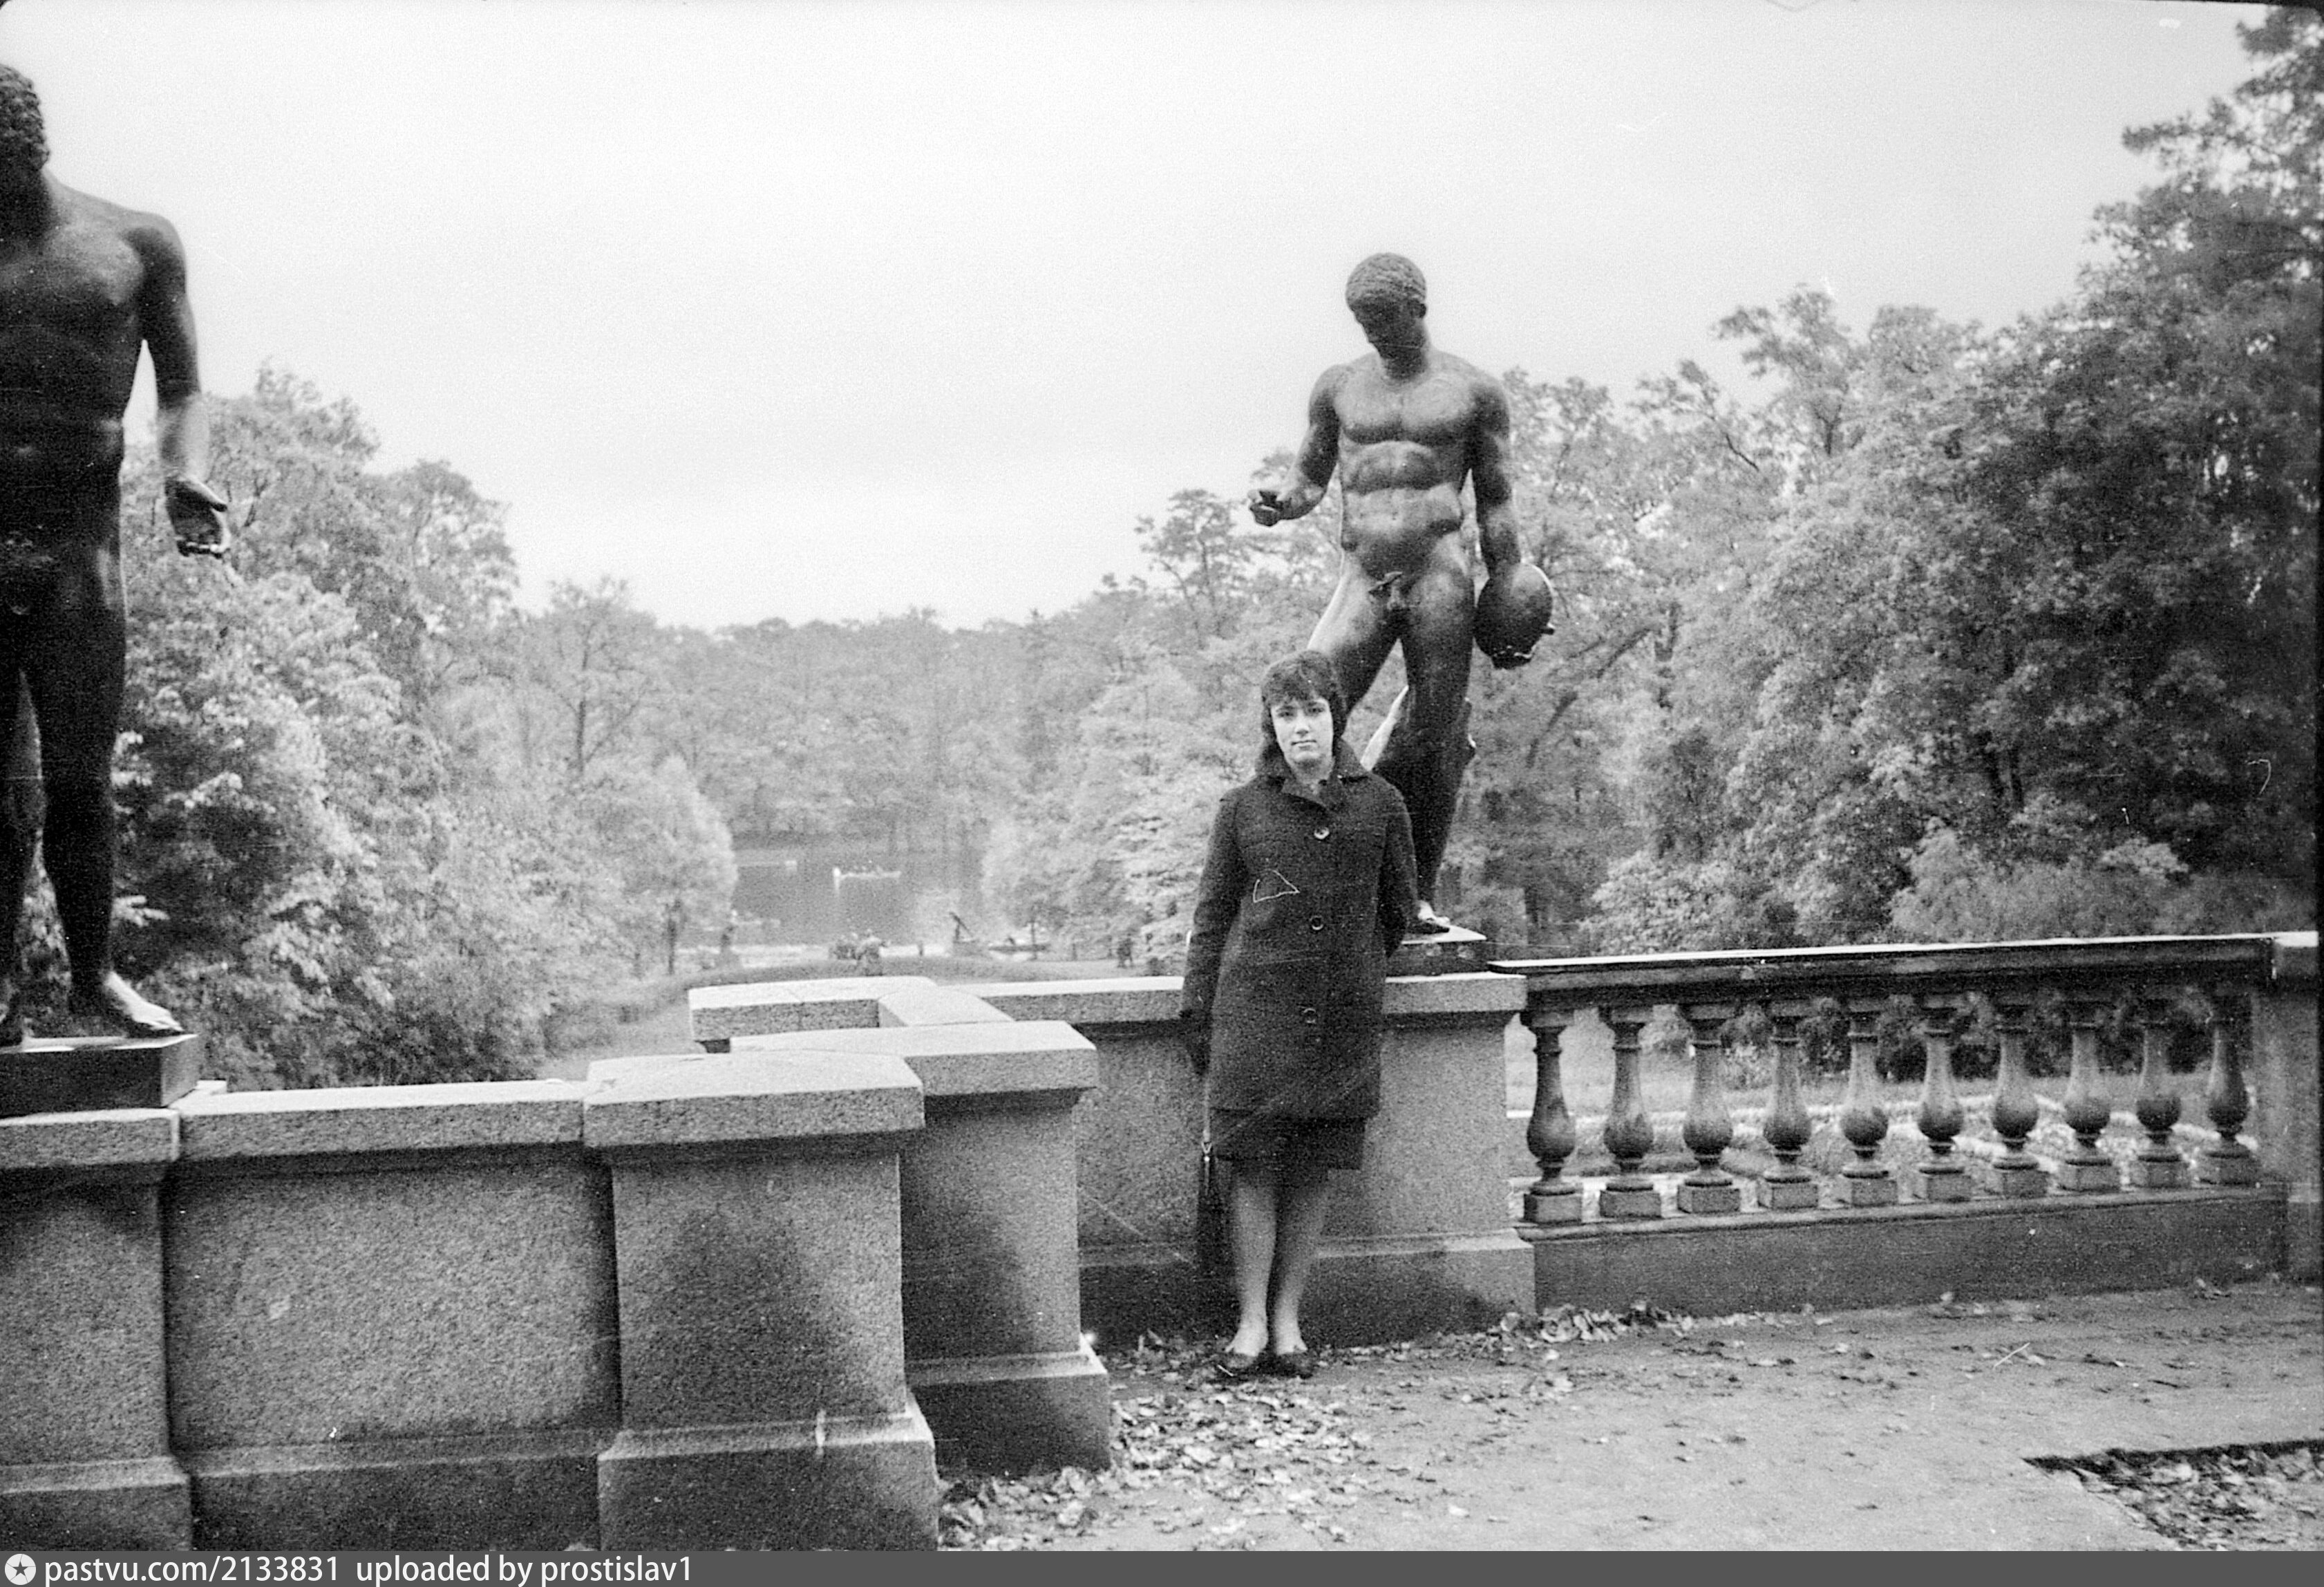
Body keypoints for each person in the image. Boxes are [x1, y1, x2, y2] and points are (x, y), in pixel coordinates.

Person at [0, 65, 229, 1046]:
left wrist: (186, 477)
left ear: (32, 154)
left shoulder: (133, 244)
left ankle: (93, 976)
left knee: (81, 783)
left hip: (78, 554)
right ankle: (1, 988)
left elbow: (181, 388)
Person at [1248, 253, 1553, 934]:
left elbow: (1497, 499)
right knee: (1299, 705)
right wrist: (1281, 501)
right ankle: (1281, 878)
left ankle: (1411, 894)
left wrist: (1511, 585)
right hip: (1362, 574)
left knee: (1435, 735)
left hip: (1439, 575)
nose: (1373, 333)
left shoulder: (1473, 391)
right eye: (1363, 322)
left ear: (1418, 309)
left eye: (1384, 319)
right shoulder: (1339, 387)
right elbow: (1309, 476)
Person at [1179, 650, 1417, 1380]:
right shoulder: (1242, 809)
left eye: (1313, 710)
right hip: (1253, 1017)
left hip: (1340, 1020)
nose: (1301, 727)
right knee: (1252, 1169)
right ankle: (1250, 1324)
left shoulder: (1381, 805)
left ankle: (1288, 1324)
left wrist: (1349, 966)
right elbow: (1211, 918)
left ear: (1336, 716)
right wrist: (1198, 1010)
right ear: (1272, 725)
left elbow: (1398, 912)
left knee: (1313, 1168)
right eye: (1287, 714)